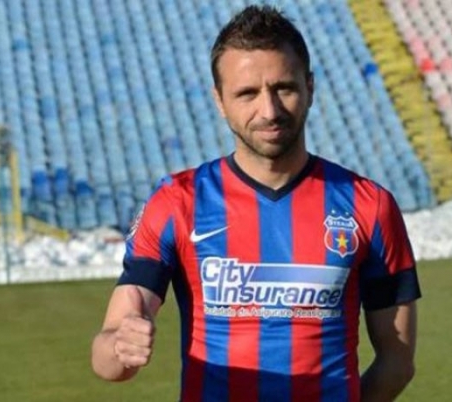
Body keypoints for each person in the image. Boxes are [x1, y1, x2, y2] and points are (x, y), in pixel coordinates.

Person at [91, 5, 421, 401]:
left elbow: (397, 362)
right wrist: (119, 346)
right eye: (247, 93)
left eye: (284, 88)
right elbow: (109, 360)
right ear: (219, 100)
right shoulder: (177, 203)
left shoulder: (370, 206)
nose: (269, 110)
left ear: (310, 87)